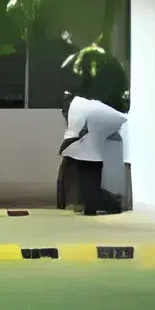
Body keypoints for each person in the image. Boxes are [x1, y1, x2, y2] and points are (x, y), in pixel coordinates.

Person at [56, 57, 129, 217]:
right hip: (89, 152)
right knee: (88, 186)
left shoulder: (81, 106)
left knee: (86, 185)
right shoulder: (87, 106)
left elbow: (76, 130)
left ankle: (104, 205)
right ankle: (96, 206)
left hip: (86, 151)